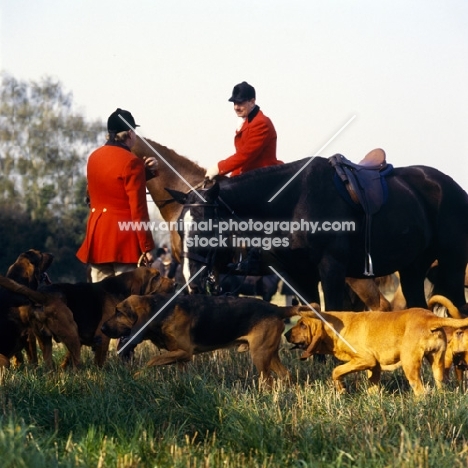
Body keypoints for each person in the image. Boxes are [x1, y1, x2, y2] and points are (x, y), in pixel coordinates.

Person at [77, 108, 158, 283]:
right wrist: (147, 246)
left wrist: (143, 173)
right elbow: (138, 210)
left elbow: (111, 184)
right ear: (129, 133)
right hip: (124, 241)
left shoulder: (93, 157)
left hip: (98, 238)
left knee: (100, 300)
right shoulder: (131, 161)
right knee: (125, 301)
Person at [205, 81, 282, 179]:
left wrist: (219, 168)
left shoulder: (261, 123)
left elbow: (244, 155)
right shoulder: (246, 122)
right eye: (234, 103)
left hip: (262, 178)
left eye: (240, 103)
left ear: (252, 102)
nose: (236, 107)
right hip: (248, 177)